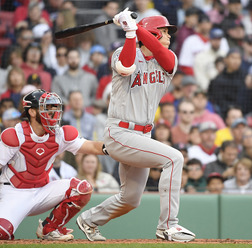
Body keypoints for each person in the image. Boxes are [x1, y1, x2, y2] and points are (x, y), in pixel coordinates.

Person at [76, 10, 195, 242]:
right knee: (174, 158)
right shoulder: (122, 52)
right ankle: (168, 226)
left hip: (142, 137)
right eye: (164, 31)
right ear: (152, 33)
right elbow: (126, 68)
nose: (169, 36)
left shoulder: (167, 59)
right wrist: (131, 32)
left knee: (130, 199)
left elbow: (162, 53)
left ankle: (89, 220)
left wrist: (134, 27)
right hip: (119, 132)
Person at [0, 89, 108, 241]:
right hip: (14, 192)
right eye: (46, 108)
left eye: (54, 108)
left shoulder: (60, 134)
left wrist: (115, 148)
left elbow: (93, 147)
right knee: (2, 234)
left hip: (42, 191)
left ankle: (50, 229)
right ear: (31, 112)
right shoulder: (14, 135)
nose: (52, 112)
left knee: (82, 189)